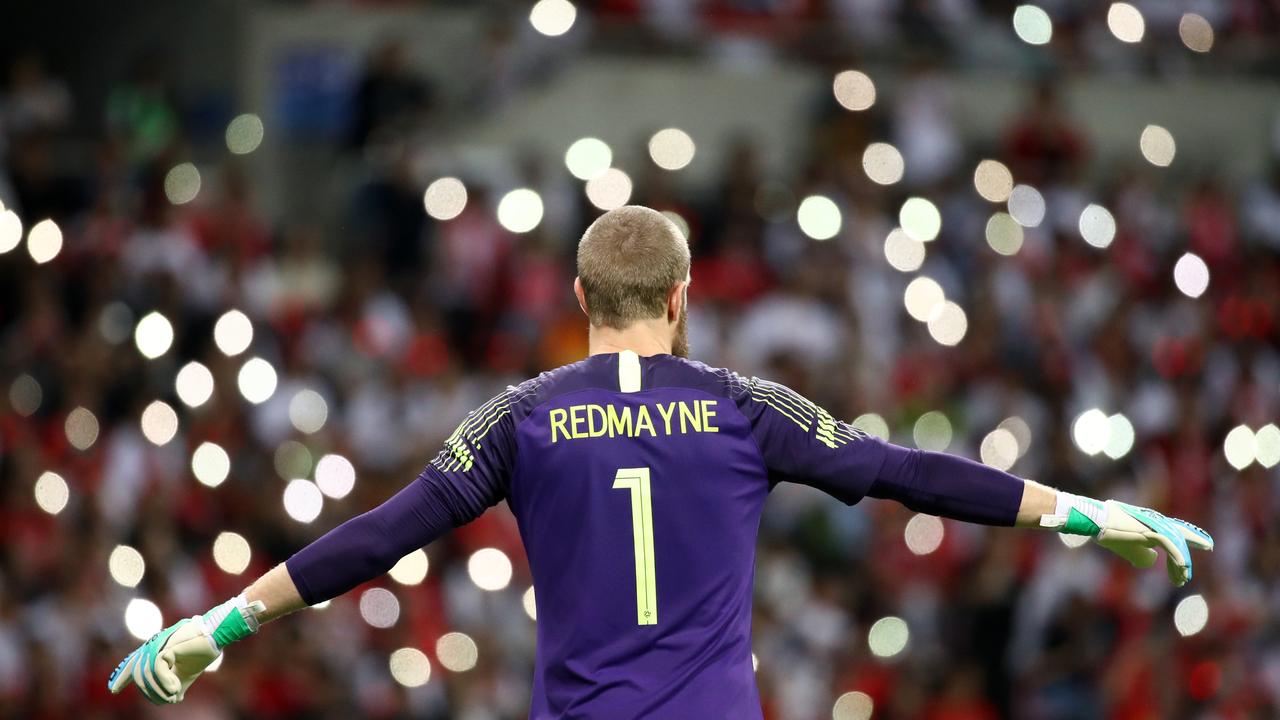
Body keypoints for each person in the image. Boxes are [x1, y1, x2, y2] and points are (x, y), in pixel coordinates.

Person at [108, 206, 1213, 718]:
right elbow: (902, 473)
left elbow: (378, 539)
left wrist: (219, 626)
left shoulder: (516, 419)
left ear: (581, 300)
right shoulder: (744, 409)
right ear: (683, 299)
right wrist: (1082, 513)